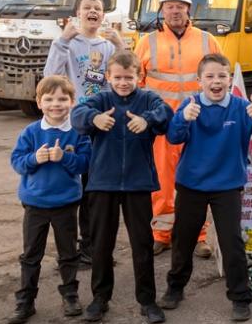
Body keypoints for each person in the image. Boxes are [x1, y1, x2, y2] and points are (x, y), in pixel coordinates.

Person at [159, 53, 252, 322]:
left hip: (227, 185)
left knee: (231, 241)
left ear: (228, 79)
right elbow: (174, 137)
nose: (216, 81)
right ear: (199, 81)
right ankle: (175, 288)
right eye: (209, 76)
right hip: (192, 184)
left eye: (221, 76)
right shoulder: (189, 105)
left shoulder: (240, 106)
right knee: (182, 240)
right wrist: (183, 119)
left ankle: (240, 297)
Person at [71, 51, 173, 323]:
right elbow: (77, 113)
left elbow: (166, 112)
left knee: (142, 243)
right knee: (101, 243)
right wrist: (94, 119)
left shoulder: (147, 99)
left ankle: (147, 300)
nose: (123, 82)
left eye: (129, 77)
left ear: (140, 76)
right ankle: (100, 298)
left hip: (138, 184)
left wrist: (147, 120)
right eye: (117, 77)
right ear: (108, 77)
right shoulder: (101, 99)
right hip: (103, 183)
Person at [135, 0, 221, 258]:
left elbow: (221, 78)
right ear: (161, 11)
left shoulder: (207, 40)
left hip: (199, 123)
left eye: (179, 6)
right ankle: (162, 234)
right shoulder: (146, 42)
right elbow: (136, 82)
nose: (174, 11)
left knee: (198, 179)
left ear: (188, 10)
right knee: (162, 180)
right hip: (161, 124)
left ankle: (199, 236)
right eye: (169, 6)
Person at [43, 0, 125, 267]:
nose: (93, 11)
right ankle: (68, 251)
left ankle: (91, 247)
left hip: (102, 128)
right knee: (71, 189)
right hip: (74, 127)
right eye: (87, 7)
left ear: (103, 15)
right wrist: (63, 39)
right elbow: (50, 76)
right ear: (78, 14)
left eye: (97, 8)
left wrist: (121, 44)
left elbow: (128, 78)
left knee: (95, 191)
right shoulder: (69, 43)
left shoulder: (109, 46)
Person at [8, 76, 91, 324]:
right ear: (39, 102)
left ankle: (70, 295)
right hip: (35, 204)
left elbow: (86, 163)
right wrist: (35, 158)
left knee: (68, 254)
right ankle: (26, 301)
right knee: (31, 254)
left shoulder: (78, 132)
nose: (56, 104)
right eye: (49, 99)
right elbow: (17, 162)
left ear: (72, 101)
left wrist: (64, 158)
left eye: (62, 99)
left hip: (66, 204)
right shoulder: (31, 132)